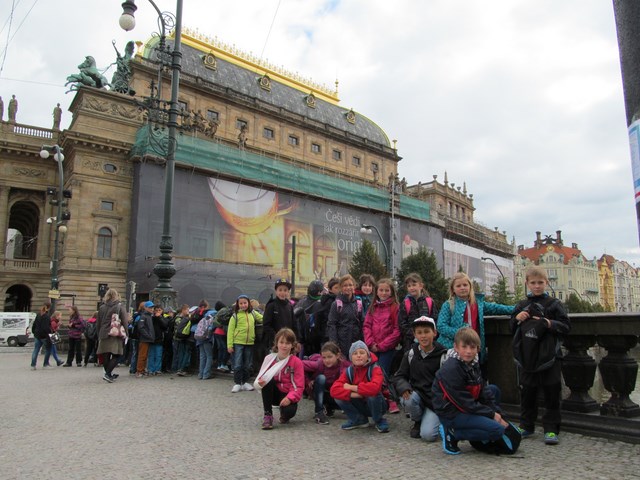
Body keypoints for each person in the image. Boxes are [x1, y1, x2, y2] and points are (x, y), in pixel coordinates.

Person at [511, 266, 571, 445]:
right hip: (528, 356)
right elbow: (511, 328)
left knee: (552, 391)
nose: (537, 286)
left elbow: (566, 326)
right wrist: (517, 319)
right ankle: (526, 425)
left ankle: (551, 429)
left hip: (550, 356)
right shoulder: (522, 305)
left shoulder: (554, 304)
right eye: (533, 283)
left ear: (546, 283)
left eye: (540, 283)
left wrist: (549, 323)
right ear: (527, 284)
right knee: (527, 392)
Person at [432, 328, 509, 455]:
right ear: (456, 347)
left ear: (478, 349)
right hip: (452, 412)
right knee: (497, 430)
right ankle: (453, 433)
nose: (468, 351)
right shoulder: (451, 369)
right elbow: (464, 403)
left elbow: (483, 390)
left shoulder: (473, 362)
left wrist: (499, 414)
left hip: (467, 404)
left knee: (493, 390)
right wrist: (491, 415)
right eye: (464, 347)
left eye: (472, 347)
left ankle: (479, 429)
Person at [437, 272, 514, 376]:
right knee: (457, 374)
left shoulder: (478, 303)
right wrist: (460, 334)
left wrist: (517, 308)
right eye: (458, 286)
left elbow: (496, 308)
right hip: (453, 348)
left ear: (470, 287)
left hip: (473, 348)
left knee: (475, 375)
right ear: (453, 289)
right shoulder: (448, 305)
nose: (462, 288)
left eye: (465, 285)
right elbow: (441, 326)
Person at [392, 316, 447, 441]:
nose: (423, 336)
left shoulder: (443, 355)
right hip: (417, 396)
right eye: (419, 333)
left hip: (435, 401)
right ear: (415, 335)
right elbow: (399, 376)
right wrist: (404, 387)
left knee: (428, 436)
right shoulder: (410, 354)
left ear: (434, 333)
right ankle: (418, 420)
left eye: (427, 332)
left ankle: (433, 418)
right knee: (408, 399)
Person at [330, 340, 389, 433]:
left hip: (378, 405)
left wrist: (352, 387)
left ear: (368, 356)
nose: (358, 355)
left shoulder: (375, 368)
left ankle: (379, 420)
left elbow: (375, 388)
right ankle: (359, 420)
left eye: (362, 352)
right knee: (338, 397)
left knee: (372, 395)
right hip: (360, 402)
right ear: (351, 357)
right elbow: (334, 390)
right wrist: (358, 394)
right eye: (355, 353)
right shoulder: (349, 371)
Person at [254, 328, 305, 430]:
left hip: (287, 394)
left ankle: (284, 415)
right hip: (274, 392)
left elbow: (299, 386)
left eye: (287, 343)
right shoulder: (269, 359)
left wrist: (290, 398)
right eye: (281, 342)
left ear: (292, 345)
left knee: (289, 412)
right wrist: (260, 382)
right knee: (267, 380)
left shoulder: (297, 362)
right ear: (276, 343)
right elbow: (261, 377)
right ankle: (268, 415)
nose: (284, 346)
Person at [302, 340, 348, 425]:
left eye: (330, 357)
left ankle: (329, 407)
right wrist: (308, 381)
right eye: (324, 357)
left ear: (337, 355)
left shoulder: (344, 365)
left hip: (333, 392)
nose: (327, 360)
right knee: (321, 378)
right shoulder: (318, 364)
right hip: (318, 391)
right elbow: (299, 365)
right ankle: (319, 412)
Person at [228, 294, 263, 392]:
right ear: (238, 305)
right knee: (238, 363)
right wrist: (229, 345)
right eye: (241, 303)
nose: (243, 305)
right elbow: (230, 331)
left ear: (248, 303)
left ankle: (245, 382)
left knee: (248, 364)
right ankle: (237, 383)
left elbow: (262, 318)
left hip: (249, 342)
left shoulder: (253, 313)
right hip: (238, 342)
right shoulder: (235, 316)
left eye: (245, 303)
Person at [398, 272, 439, 352]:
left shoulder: (429, 301)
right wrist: (415, 335)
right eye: (409, 286)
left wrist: (431, 335)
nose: (411, 288)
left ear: (421, 286)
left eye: (414, 285)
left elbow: (435, 319)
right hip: (410, 342)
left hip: (428, 340)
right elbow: (402, 323)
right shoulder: (405, 303)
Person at [327, 274, 364, 361]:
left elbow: (362, 323)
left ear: (354, 286)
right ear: (341, 287)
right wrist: (335, 345)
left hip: (356, 341)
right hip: (341, 342)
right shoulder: (336, 304)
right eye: (345, 285)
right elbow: (332, 325)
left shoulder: (358, 303)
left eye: (350, 285)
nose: (348, 287)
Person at [96, 288, 129, 383]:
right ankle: (107, 374)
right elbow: (125, 321)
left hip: (103, 333)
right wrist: (126, 333)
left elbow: (98, 323)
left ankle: (108, 374)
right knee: (117, 354)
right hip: (115, 333)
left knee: (106, 355)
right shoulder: (120, 306)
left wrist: (99, 333)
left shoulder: (102, 307)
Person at [306, 277, 339, 355]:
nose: (339, 289)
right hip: (326, 336)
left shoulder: (336, 300)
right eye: (336, 287)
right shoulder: (328, 302)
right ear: (330, 289)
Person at [262, 278, 297, 350]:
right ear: (276, 291)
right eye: (280, 290)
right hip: (274, 343)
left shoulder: (289, 306)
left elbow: (294, 324)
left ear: (288, 292)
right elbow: (266, 325)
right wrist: (277, 338)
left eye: (285, 290)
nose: (282, 293)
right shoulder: (271, 305)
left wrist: (296, 339)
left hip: (287, 342)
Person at [135, 301, 155, 378]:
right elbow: (141, 328)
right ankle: (139, 371)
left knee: (145, 356)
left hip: (147, 338)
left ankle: (142, 370)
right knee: (142, 355)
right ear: (145, 308)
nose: (152, 309)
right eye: (150, 307)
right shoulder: (144, 316)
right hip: (144, 339)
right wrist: (148, 336)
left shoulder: (149, 316)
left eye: (152, 307)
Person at [30, 304, 53, 369]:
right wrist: (49, 333)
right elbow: (46, 328)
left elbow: (34, 324)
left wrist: (34, 332)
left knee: (36, 350)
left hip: (37, 335)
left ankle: (33, 365)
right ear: (48, 308)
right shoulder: (47, 317)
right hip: (44, 336)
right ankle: (45, 364)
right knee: (48, 349)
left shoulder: (38, 315)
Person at [196, 309, 217, 380]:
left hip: (199, 339)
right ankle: (206, 374)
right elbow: (211, 329)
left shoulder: (203, 318)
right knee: (209, 356)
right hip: (207, 339)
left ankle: (200, 374)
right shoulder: (212, 319)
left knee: (202, 356)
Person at [147, 305, 166, 375]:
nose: (158, 312)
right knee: (151, 355)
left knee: (158, 355)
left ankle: (157, 369)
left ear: (162, 311)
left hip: (159, 339)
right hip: (152, 339)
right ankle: (150, 369)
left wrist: (159, 318)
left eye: (159, 310)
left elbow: (165, 326)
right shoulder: (151, 318)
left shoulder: (163, 318)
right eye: (156, 310)